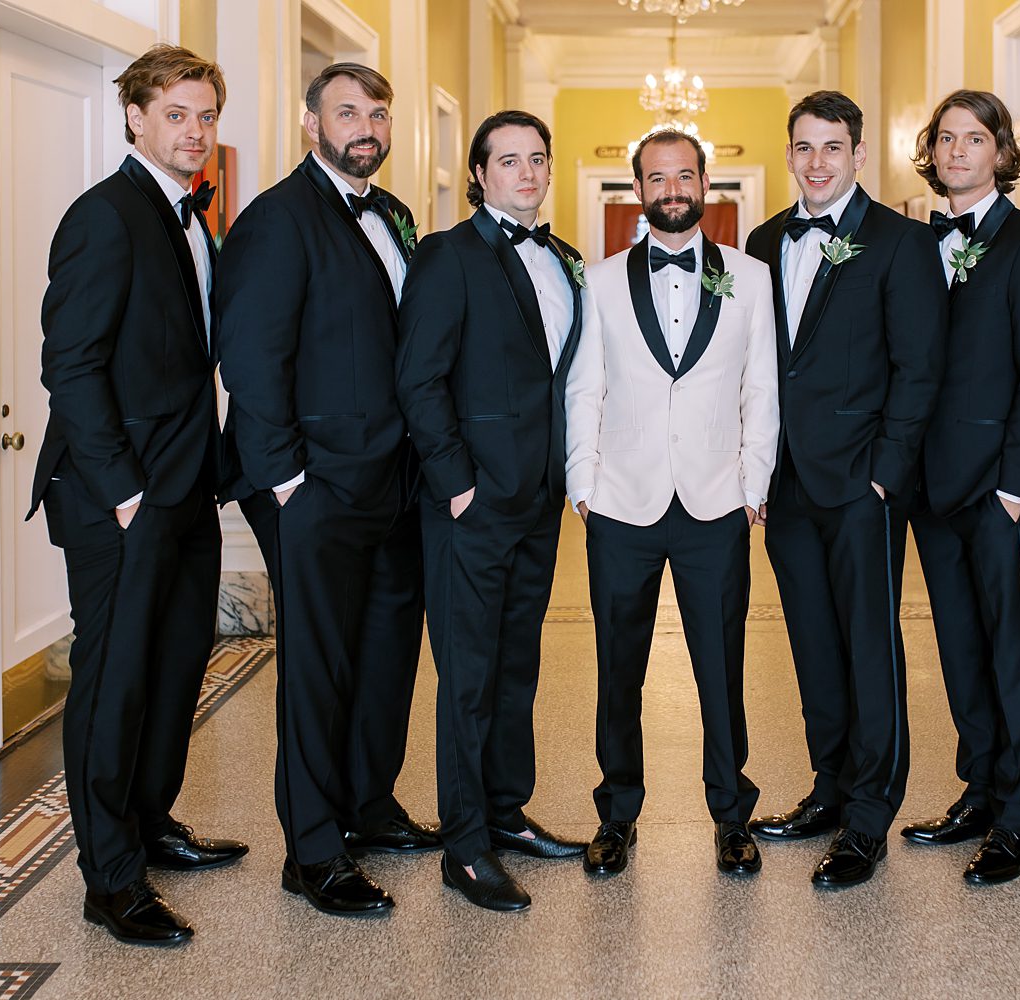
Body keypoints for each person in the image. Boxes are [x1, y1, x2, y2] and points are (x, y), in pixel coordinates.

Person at [30, 44, 247, 947]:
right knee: (114, 682)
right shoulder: (104, 216)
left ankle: (151, 823)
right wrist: (123, 491)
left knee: (176, 663)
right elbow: (69, 366)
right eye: (176, 115)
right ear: (134, 116)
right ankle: (109, 878)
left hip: (187, 485)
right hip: (118, 495)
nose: (194, 133)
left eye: (205, 117)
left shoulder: (195, 222)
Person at [216, 62, 435, 918]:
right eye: (347, 112)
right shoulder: (277, 220)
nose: (365, 126)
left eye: (378, 112)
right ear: (311, 124)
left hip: (393, 480)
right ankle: (312, 852)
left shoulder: (399, 216)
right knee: (318, 664)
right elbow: (252, 362)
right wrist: (288, 484)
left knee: (385, 653)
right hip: (313, 487)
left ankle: (369, 807)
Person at [744, 90, 947, 888]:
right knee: (811, 643)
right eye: (804, 147)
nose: (818, 163)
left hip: (861, 482)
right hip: (785, 483)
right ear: (790, 153)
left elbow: (919, 367)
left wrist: (885, 476)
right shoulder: (763, 242)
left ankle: (869, 816)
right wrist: (750, 467)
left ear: (859, 154)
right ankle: (829, 787)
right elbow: (757, 364)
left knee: (869, 644)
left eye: (833, 148)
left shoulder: (900, 243)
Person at [565, 130, 779, 878]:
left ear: (705, 182)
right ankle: (617, 815)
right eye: (658, 178)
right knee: (618, 667)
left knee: (721, 666)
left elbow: (761, 387)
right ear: (638, 190)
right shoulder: (598, 279)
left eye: (684, 175)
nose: (673, 189)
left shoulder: (752, 278)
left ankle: (731, 815)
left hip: (716, 503)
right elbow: (585, 386)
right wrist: (583, 485)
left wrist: (753, 488)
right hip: (621, 503)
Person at [395, 110, 587, 912]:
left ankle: (507, 814)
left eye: (538, 159)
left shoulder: (567, 260)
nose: (529, 173)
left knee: (516, 669)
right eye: (509, 161)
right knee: (468, 676)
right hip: (471, 505)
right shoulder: (446, 256)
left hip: (538, 502)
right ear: (480, 175)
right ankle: (465, 846)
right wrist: (457, 483)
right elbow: (419, 379)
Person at [900, 90, 1020, 885]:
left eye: (975, 138)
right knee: (959, 647)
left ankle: (1016, 814)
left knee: (1009, 649)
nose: (958, 151)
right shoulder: (913, 244)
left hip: (1000, 489)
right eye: (945, 139)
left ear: (1002, 152)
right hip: (930, 488)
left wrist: (1012, 487)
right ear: (929, 152)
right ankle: (977, 788)